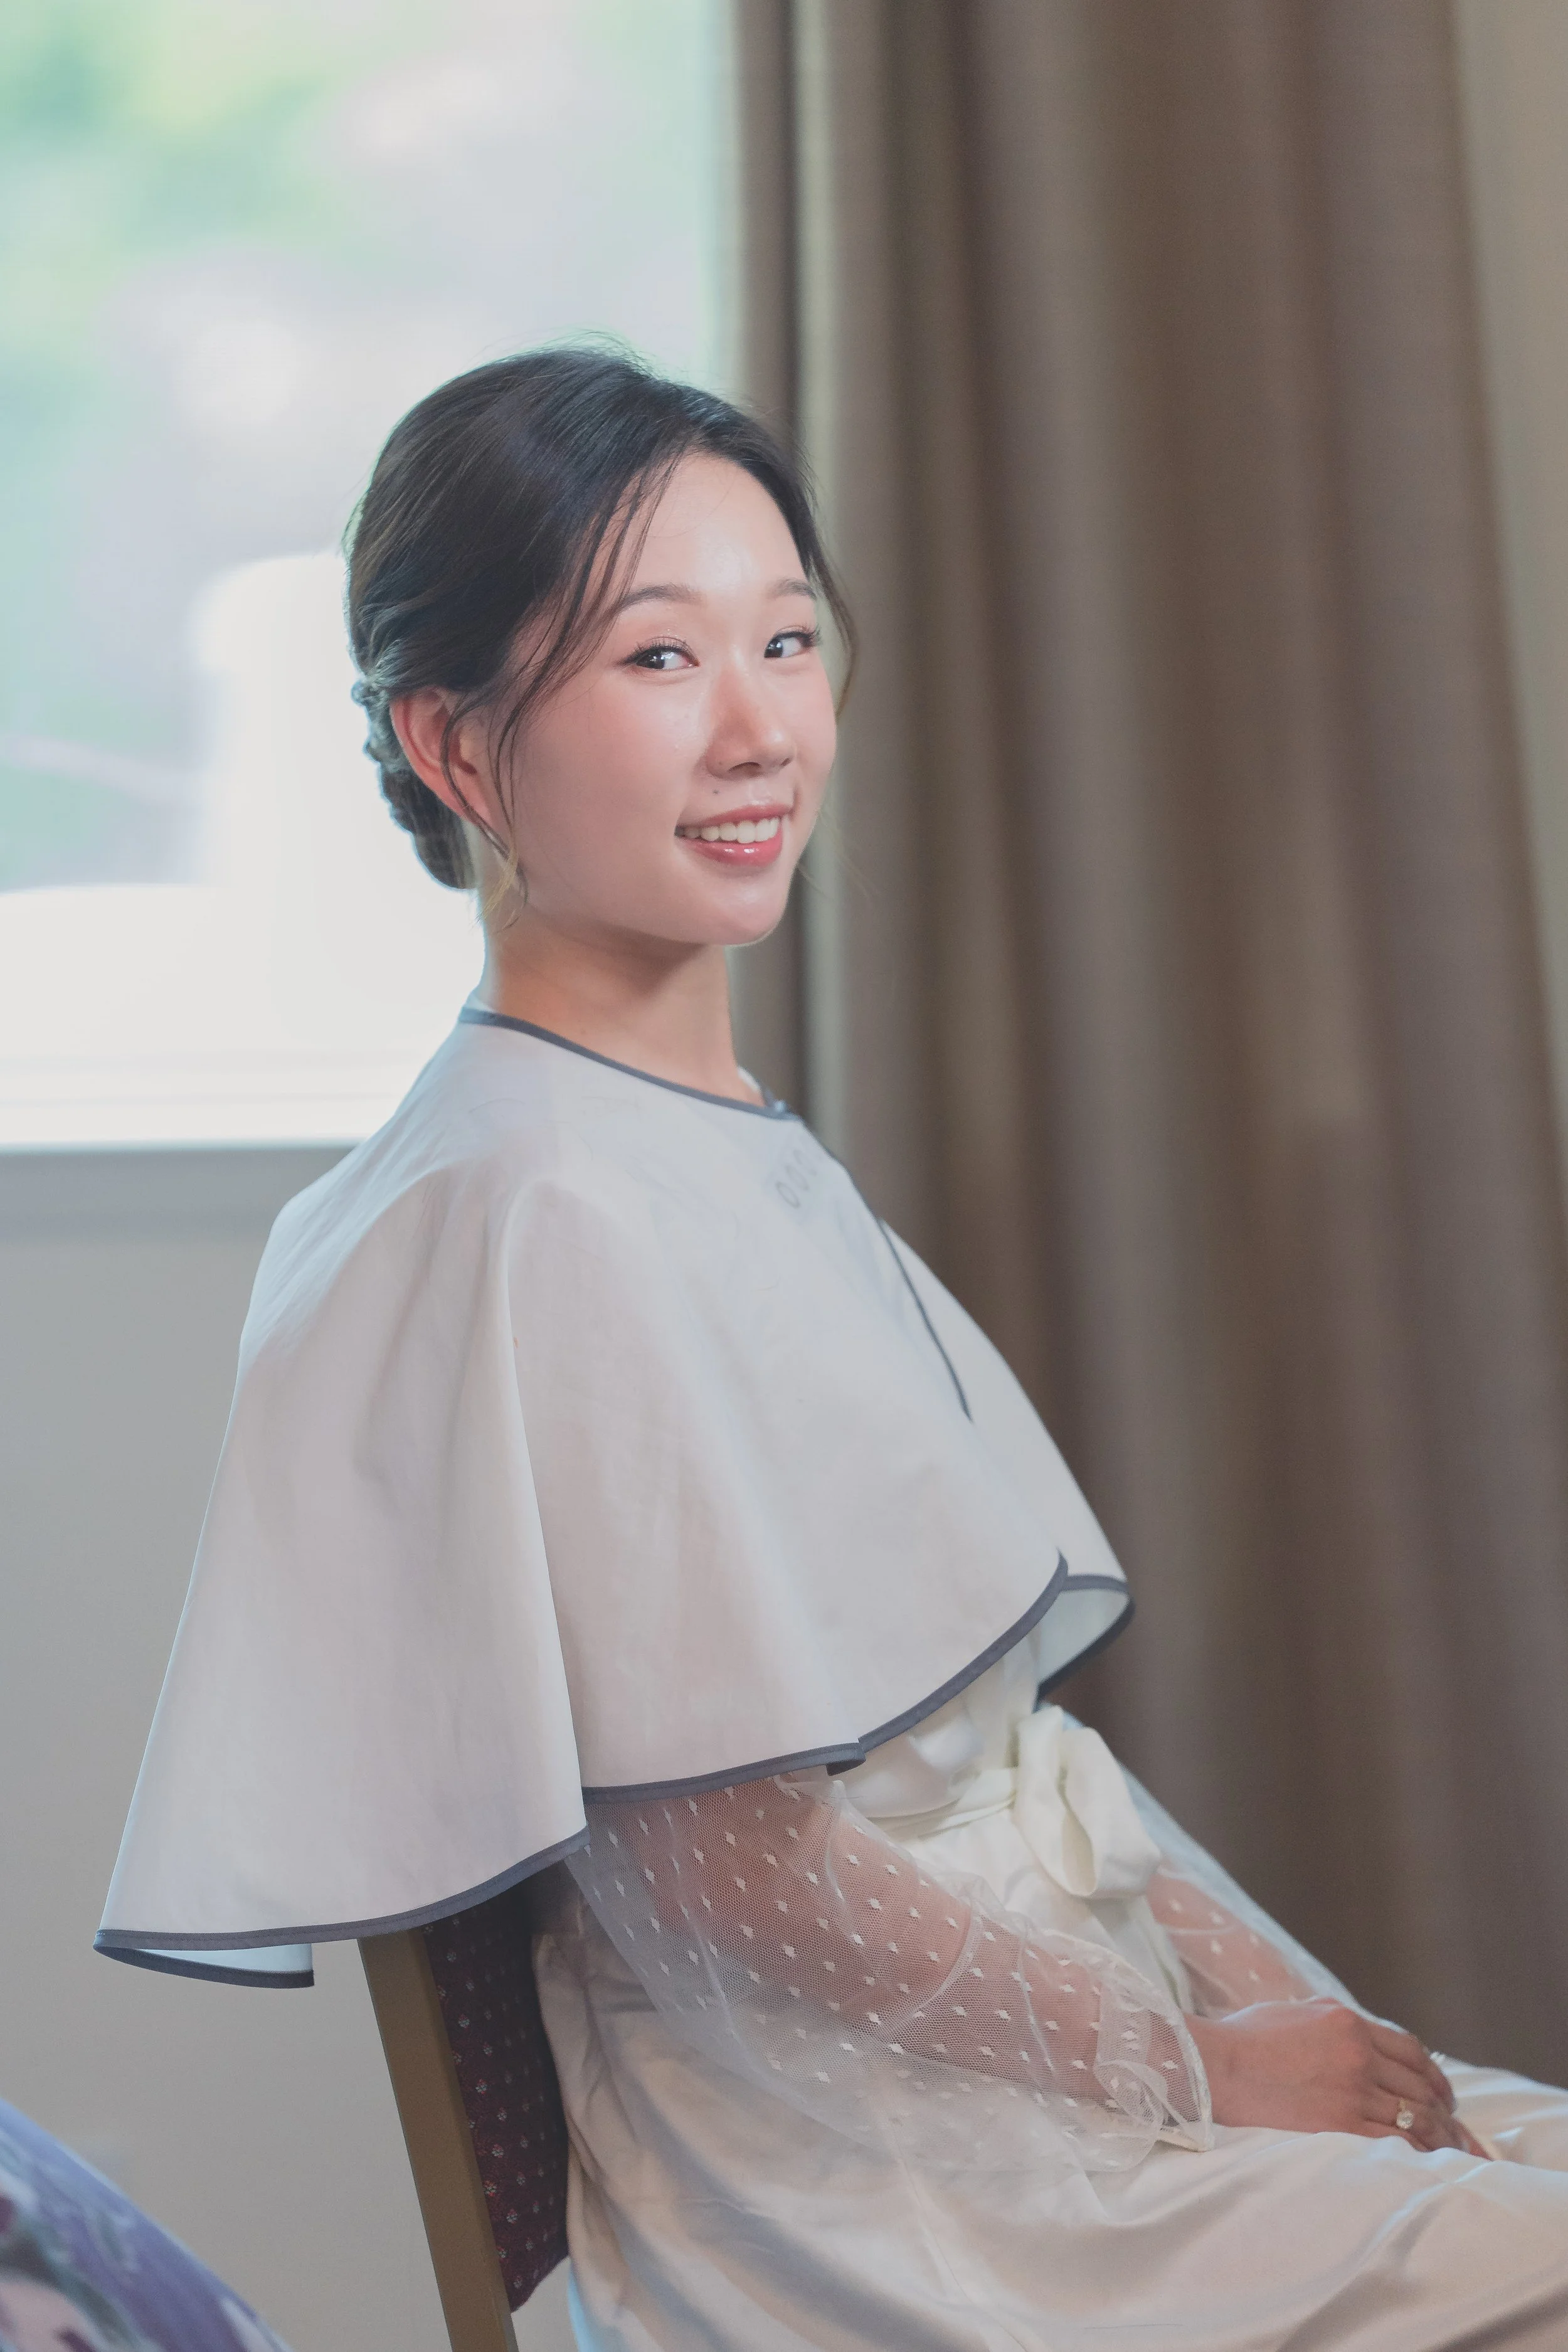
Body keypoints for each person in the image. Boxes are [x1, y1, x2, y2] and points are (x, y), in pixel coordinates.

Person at [97, 350, 1568, 2349]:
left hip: (1032, 2079)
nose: (756, 728)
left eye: (784, 639)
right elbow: (726, 1875)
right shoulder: (530, 1203)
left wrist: (1287, 2017)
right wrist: (1195, 2065)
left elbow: (1020, 1756)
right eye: (654, 660)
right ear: (454, 748)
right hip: (860, 2193)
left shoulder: (691, 1144)